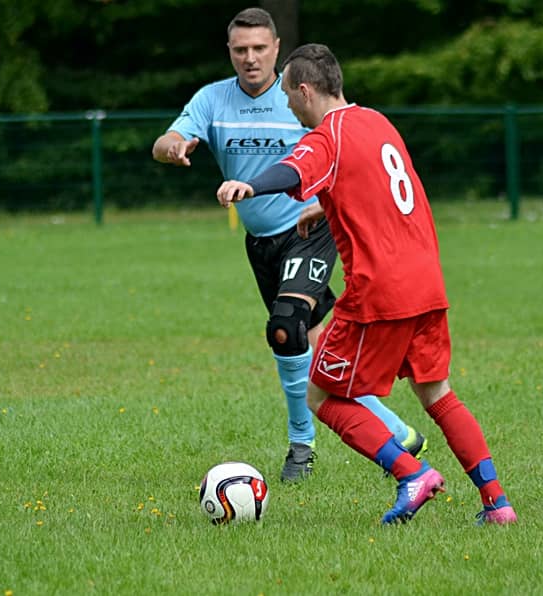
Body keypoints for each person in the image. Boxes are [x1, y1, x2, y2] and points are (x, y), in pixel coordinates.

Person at [216, 43, 517, 526]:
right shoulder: (377, 122)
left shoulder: (326, 135)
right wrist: (327, 205)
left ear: (305, 90)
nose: (288, 106)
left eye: (288, 96)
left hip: (379, 290)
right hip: (426, 281)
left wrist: (250, 186)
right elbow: (382, 186)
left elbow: (293, 168)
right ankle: (497, 503)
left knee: (321, 397)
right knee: (437, 394)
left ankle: (411, 474)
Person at [152, 8, 427, 482]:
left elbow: (345, 147)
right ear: (229, 52)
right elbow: (166, 139)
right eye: (241, 50)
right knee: (315, 351)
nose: (250, 58)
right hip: (261, 244)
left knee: (285, 328)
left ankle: (301, 446)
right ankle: (400, 434)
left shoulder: (299, 97)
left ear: (277, 49)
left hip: (310, 231)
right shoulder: (212, 99)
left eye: (260, 48)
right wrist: (173, 146)